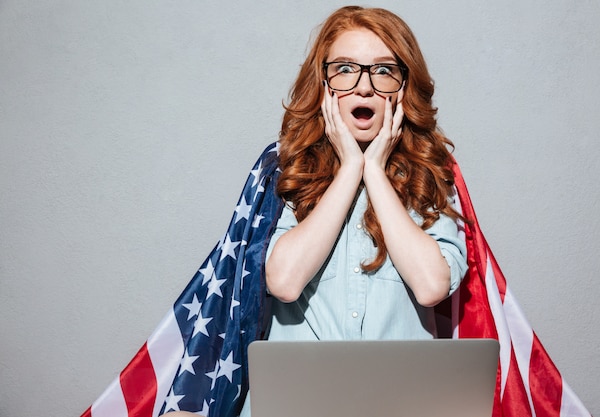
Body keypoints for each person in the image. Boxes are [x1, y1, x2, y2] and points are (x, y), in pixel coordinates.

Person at [163, 5, 467, 417]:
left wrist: (374, 171)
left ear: (403, 84)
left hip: (397, 405)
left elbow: (432, 285)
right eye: (345, 68)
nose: (364, 87)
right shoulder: (284, 172)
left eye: (383, 70)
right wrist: (349, 172)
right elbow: (284, 282)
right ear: (323, 84)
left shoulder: (431, 175)